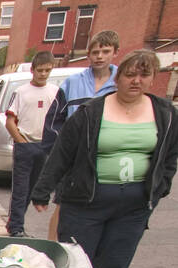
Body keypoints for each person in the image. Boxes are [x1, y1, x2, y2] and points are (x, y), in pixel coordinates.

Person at [32, 49, 178, 268]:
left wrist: (161, 187)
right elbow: (62, 154)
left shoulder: (165, 113)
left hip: (133, 207)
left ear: (152, 78)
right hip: (86, 202)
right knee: (74, 263)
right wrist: (42, 190)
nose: (136, 81)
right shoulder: (91, 112)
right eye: (130, 74)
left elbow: (170, 155)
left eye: (144, 74)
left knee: (112, 266)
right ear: (118, 76)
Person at [40, 30, 120, 239]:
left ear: (115, 53)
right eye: (95, 52)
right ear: (88, 55)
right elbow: (54, 120)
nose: (100, 56)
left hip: (106, 157)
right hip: (74, 158)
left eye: (105, 51)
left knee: (96, 207)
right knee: (62, 204)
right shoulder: (72, 82)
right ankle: (54, 248)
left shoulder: (122, 82)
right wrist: (58, 152)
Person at [5, 51, 59, 237]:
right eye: (40, 70)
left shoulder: (55, 92)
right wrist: (20, 140)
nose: (43, 74)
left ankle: (18, 223)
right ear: (33, 70)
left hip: (45, 146)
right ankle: (16, 227)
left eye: (47, 71)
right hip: (25, 145)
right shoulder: (21, 92)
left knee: (34, 188)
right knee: (20, 189)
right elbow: (10, 121)